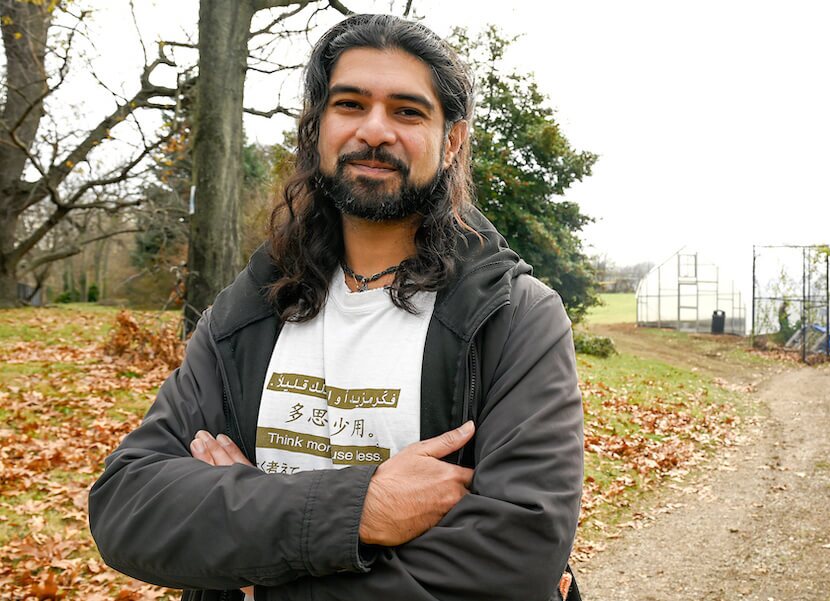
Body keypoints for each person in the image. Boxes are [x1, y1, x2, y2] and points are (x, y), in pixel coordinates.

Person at [89, 14, 583, 601]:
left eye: (407, 111)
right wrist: (361, 509)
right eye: (350, 104)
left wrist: (256, 560)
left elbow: (515, 558)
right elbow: (128, 505)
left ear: (452, 141)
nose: (374, 130)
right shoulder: (251, 309)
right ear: (317, 128)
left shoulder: (513, 318)